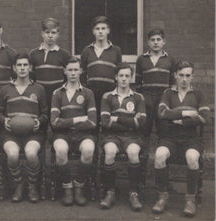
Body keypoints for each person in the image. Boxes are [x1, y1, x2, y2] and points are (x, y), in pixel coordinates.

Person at [152, 61, 209, 217]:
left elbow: (204, 118)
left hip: (191, 139)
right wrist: (187, 113)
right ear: (175, 76)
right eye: (181, 75)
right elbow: (162, 113)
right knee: (159, 155)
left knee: (192, 157)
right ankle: (162, 197)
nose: (184, 79)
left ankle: (190, 199)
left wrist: (181, 121)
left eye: (188, 75)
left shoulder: (198, 95)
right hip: (169, 137)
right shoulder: (168, 94)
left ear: (192, 77)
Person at [0, 53, 48, 203]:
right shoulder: (6, 89)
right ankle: (18, 184)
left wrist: (39, 121)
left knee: (31, 153)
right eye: (19, 65)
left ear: (30, 67)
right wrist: (3, 120)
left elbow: (45, 114)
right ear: (14, 68)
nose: (22, 68)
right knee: (12, 154)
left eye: (25, 65)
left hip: (33, 133)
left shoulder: (38, 89)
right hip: (10, 133)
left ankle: (32, 185)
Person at [99, 63, 146, 211]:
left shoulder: (138, 97)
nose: (124, 79)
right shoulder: (107, 97)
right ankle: (110, 192)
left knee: (133, 153)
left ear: (131, 78)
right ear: (116, 77)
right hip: (112, 136)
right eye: (121, 76)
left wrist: (117, 119)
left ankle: (133, 192)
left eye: (127, 76)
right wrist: (130, 121)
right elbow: (105, 122)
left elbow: (141, 122)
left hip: (132, 137)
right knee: (110, 152)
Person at [50, 58, 97, 206]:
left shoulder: (88, 93)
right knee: (61, 150)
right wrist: (77, 120)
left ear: (81, 71)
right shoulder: (57, 93)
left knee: (89, 149)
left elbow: (92, 122)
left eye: (76, 70)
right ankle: (67, 187)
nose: (73, 73)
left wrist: (67, 123)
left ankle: (79, 186)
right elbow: (54, 122)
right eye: (70, 70)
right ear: (64, 71)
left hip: (83, 135)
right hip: (62, 135)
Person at [80, 16, 122, 129]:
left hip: (109, 93)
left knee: (107, 122)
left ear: (108, 30)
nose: (100, 31)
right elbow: (82, 74)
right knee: (93, 122)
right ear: (93, 31)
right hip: (92, 94)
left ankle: (108, 144)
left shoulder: (116, 50)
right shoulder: (87, 51)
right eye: (97, 28)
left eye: (103, 28)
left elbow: (119, 73)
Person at [135, 28, 176, 138]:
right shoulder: (141, 59)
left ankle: (162, 152)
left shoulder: (170, 59)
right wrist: (142, 98)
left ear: (164, 41)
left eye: (158, 39)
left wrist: (169, 100)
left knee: (163, 127)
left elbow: (173, 83)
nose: (156, 42)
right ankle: (143, 154)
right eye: (152, 40)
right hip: (147, 97)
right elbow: (137, 83)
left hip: (163, 97)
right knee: (144, 127)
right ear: (148, 42)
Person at [29, 17, 71, 110]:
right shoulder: (34, 54)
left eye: (53, 32)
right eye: (47, 32)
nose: (50, 36)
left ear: (58, 34)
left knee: (56, 123)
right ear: (42, 34)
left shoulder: (64, 54)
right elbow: (31, 78)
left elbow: (68, 78)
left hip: (58, 98)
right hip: (39, 97)